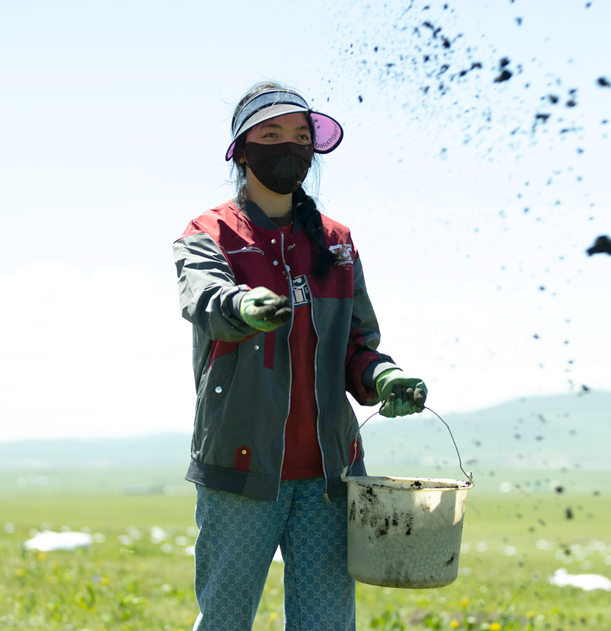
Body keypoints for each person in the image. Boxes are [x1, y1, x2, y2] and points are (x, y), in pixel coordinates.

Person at [172, 81, 427, 631]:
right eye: (271, 135)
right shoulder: (209, 233)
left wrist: (385, 376)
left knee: (326, 624)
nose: (289, 146)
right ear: (242, 151)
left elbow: (356, 346)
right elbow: (206, 300)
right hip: (239, 467)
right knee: (224, 620)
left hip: (330, 478)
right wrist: (244, 306)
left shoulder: (336, 242)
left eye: (300, 136)